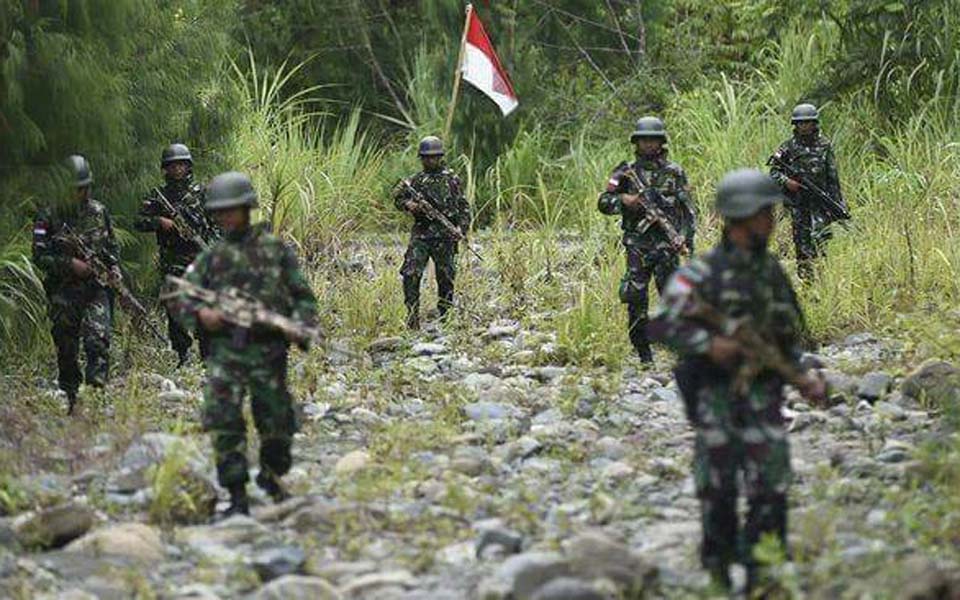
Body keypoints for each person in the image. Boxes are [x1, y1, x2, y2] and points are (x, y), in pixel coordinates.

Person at [647, 168, 826, 593]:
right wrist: (709, 345)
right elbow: (661, 326)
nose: (773, 220)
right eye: (767, 213)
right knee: (719, 487)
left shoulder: (771, 274)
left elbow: (786, 336)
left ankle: (763, 570)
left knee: (771, 486)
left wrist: (803, 376)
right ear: (746, 216)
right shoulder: (701, 274)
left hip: (764, 394)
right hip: (716, 397)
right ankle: (719, 569)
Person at [171, 171, 317, 516]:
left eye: (231, 210)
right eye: (219, 212)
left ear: (246, 208)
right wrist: (202, 316)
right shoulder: (212, 256)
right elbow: (179, 295)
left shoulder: (275, 250)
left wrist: (302, 325)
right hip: (226, 350)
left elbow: (303, 296)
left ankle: (272, 475)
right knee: (224, 420)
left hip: (269, 350)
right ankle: (236, 493)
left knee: (277, 420)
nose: (225, 217)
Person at [598, 116, 696, 362]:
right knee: (635, 298)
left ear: (661, 142)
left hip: (667, 246)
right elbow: (603, 203)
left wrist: (684, 238)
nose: (649, 145)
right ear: (636, 143)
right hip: (638, 246)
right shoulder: (624, 173)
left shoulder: (674, 173)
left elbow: (688, 212)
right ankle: (644, 355)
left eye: (653, 140)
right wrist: (623, 201)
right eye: (644, 140)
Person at [32, 155, 120, 415]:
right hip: (63, 291)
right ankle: (71, 394)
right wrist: (69, 264)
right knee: (66, 344)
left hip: (95, 289)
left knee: (98, 339)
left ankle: (96, 394)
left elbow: (111, 248)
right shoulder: (47, 216)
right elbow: (39, 255)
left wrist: (114, 269)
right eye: (73, 189)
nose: (78, 193)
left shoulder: (99, 211)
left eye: (82, 188)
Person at [134, 143, 219, 366]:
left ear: (188, 166)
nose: (177, 169)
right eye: (172, 165)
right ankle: (183, 354)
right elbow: (138, 222)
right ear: (165, 169)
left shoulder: (202, 194)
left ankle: (207, 357)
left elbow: (217, 225)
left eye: (181, 164)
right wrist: (160, 222)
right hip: (172, 262)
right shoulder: (158, 197)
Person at [394, 136, 471, 330]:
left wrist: (461, 229)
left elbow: (464, 207)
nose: (431, 161)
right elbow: (397, 198)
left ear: (440, 157)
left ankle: (446, 318)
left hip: (445, 235)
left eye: (434, 157)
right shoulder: (416, 181)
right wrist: (409, 205)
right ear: (421, 158)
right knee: (410, 273)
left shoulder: (452, 180)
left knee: (446, 277)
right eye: (427, 158)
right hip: (421, 234)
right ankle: (412, 319)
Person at [768, 103, 848, 280]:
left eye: (808, 123)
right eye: (801, 123)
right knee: (802, 244)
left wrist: (838, 204)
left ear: (814, 124)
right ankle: (807, 282)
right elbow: (773, 171)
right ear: (795, 125)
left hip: (820, 202)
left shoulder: (825, 145)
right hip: (798, 203)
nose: (804, 127)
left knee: (821, 240)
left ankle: (823, 280)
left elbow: (832, 177)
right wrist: (787, 182)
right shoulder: (787, 148)